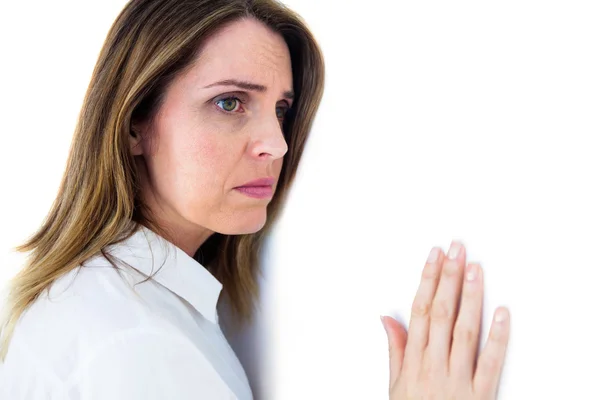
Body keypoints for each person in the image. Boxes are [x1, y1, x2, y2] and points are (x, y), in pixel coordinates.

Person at [0, 0, 510, 399]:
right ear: (136, 122)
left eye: (281, 108)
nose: (278, 143)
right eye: (230, 102)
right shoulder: (136, 345)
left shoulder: (107, 303)